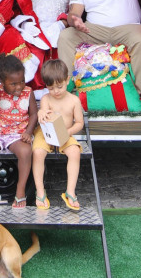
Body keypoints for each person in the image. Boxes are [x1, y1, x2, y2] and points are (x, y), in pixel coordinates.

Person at [0, 54, 37, 209]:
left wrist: (28, 132)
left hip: (18, 133)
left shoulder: (28, 92)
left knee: (25, 152)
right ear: (2, 81)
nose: (19, 87)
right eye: (13, 84)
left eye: (22, 81)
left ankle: (20, 190)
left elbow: (33, 114)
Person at [32, 60, 84, 211]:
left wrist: (68, 132)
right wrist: (41, 113)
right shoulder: (46, 98)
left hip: (64, 132)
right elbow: (43, 113)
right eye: (51, 88)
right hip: (46, 132)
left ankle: (70, 191)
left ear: (67, 80)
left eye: (59, 86)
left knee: (75, 152)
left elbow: (79, 123)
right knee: (38, 152)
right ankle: (40, 191)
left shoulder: (74, 100)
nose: (56, 91)